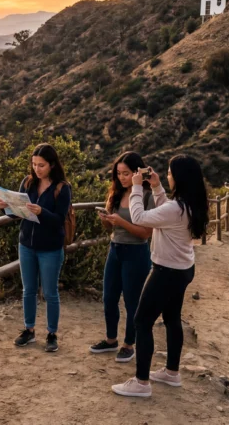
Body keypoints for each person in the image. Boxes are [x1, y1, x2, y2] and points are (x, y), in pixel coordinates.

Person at [112, 155, 209, 398]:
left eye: (168, 173)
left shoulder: (176, 208)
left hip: (166, 271)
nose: (166, 175)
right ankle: (172, 372)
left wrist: (136, 186)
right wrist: (156, 187)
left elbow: (139, 218)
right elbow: (165, 213)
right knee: (172, 318)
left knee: (142, 322)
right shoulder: (190, 204)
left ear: (179, 177)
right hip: (183, 269)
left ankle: (141, 382)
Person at [0, 144, 71, 353]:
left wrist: (41, 212)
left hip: (51, 248)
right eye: (34, 164)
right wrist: (4, 207)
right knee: (28, 290)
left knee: (49, 292)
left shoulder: (62, 188)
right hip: (26, 246)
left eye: (41, 165)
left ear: (52, 165)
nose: (37, 169)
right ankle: (29, 330)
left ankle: (52, 334)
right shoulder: (28, 182)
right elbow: (17, 213)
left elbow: (58, 220)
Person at [89, 152, 153, 363]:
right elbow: (111, 228)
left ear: (137, 173)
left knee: (132, 301)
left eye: (126, 173)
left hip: (136, 253)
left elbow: (146, 233)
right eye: (118, 173)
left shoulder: (146, 196)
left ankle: (129, 344)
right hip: (115, 249)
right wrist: (106, 220)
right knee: (108, 298)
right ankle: (110, 340)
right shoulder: (115, 193)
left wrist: (121, 222)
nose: (122, 177)